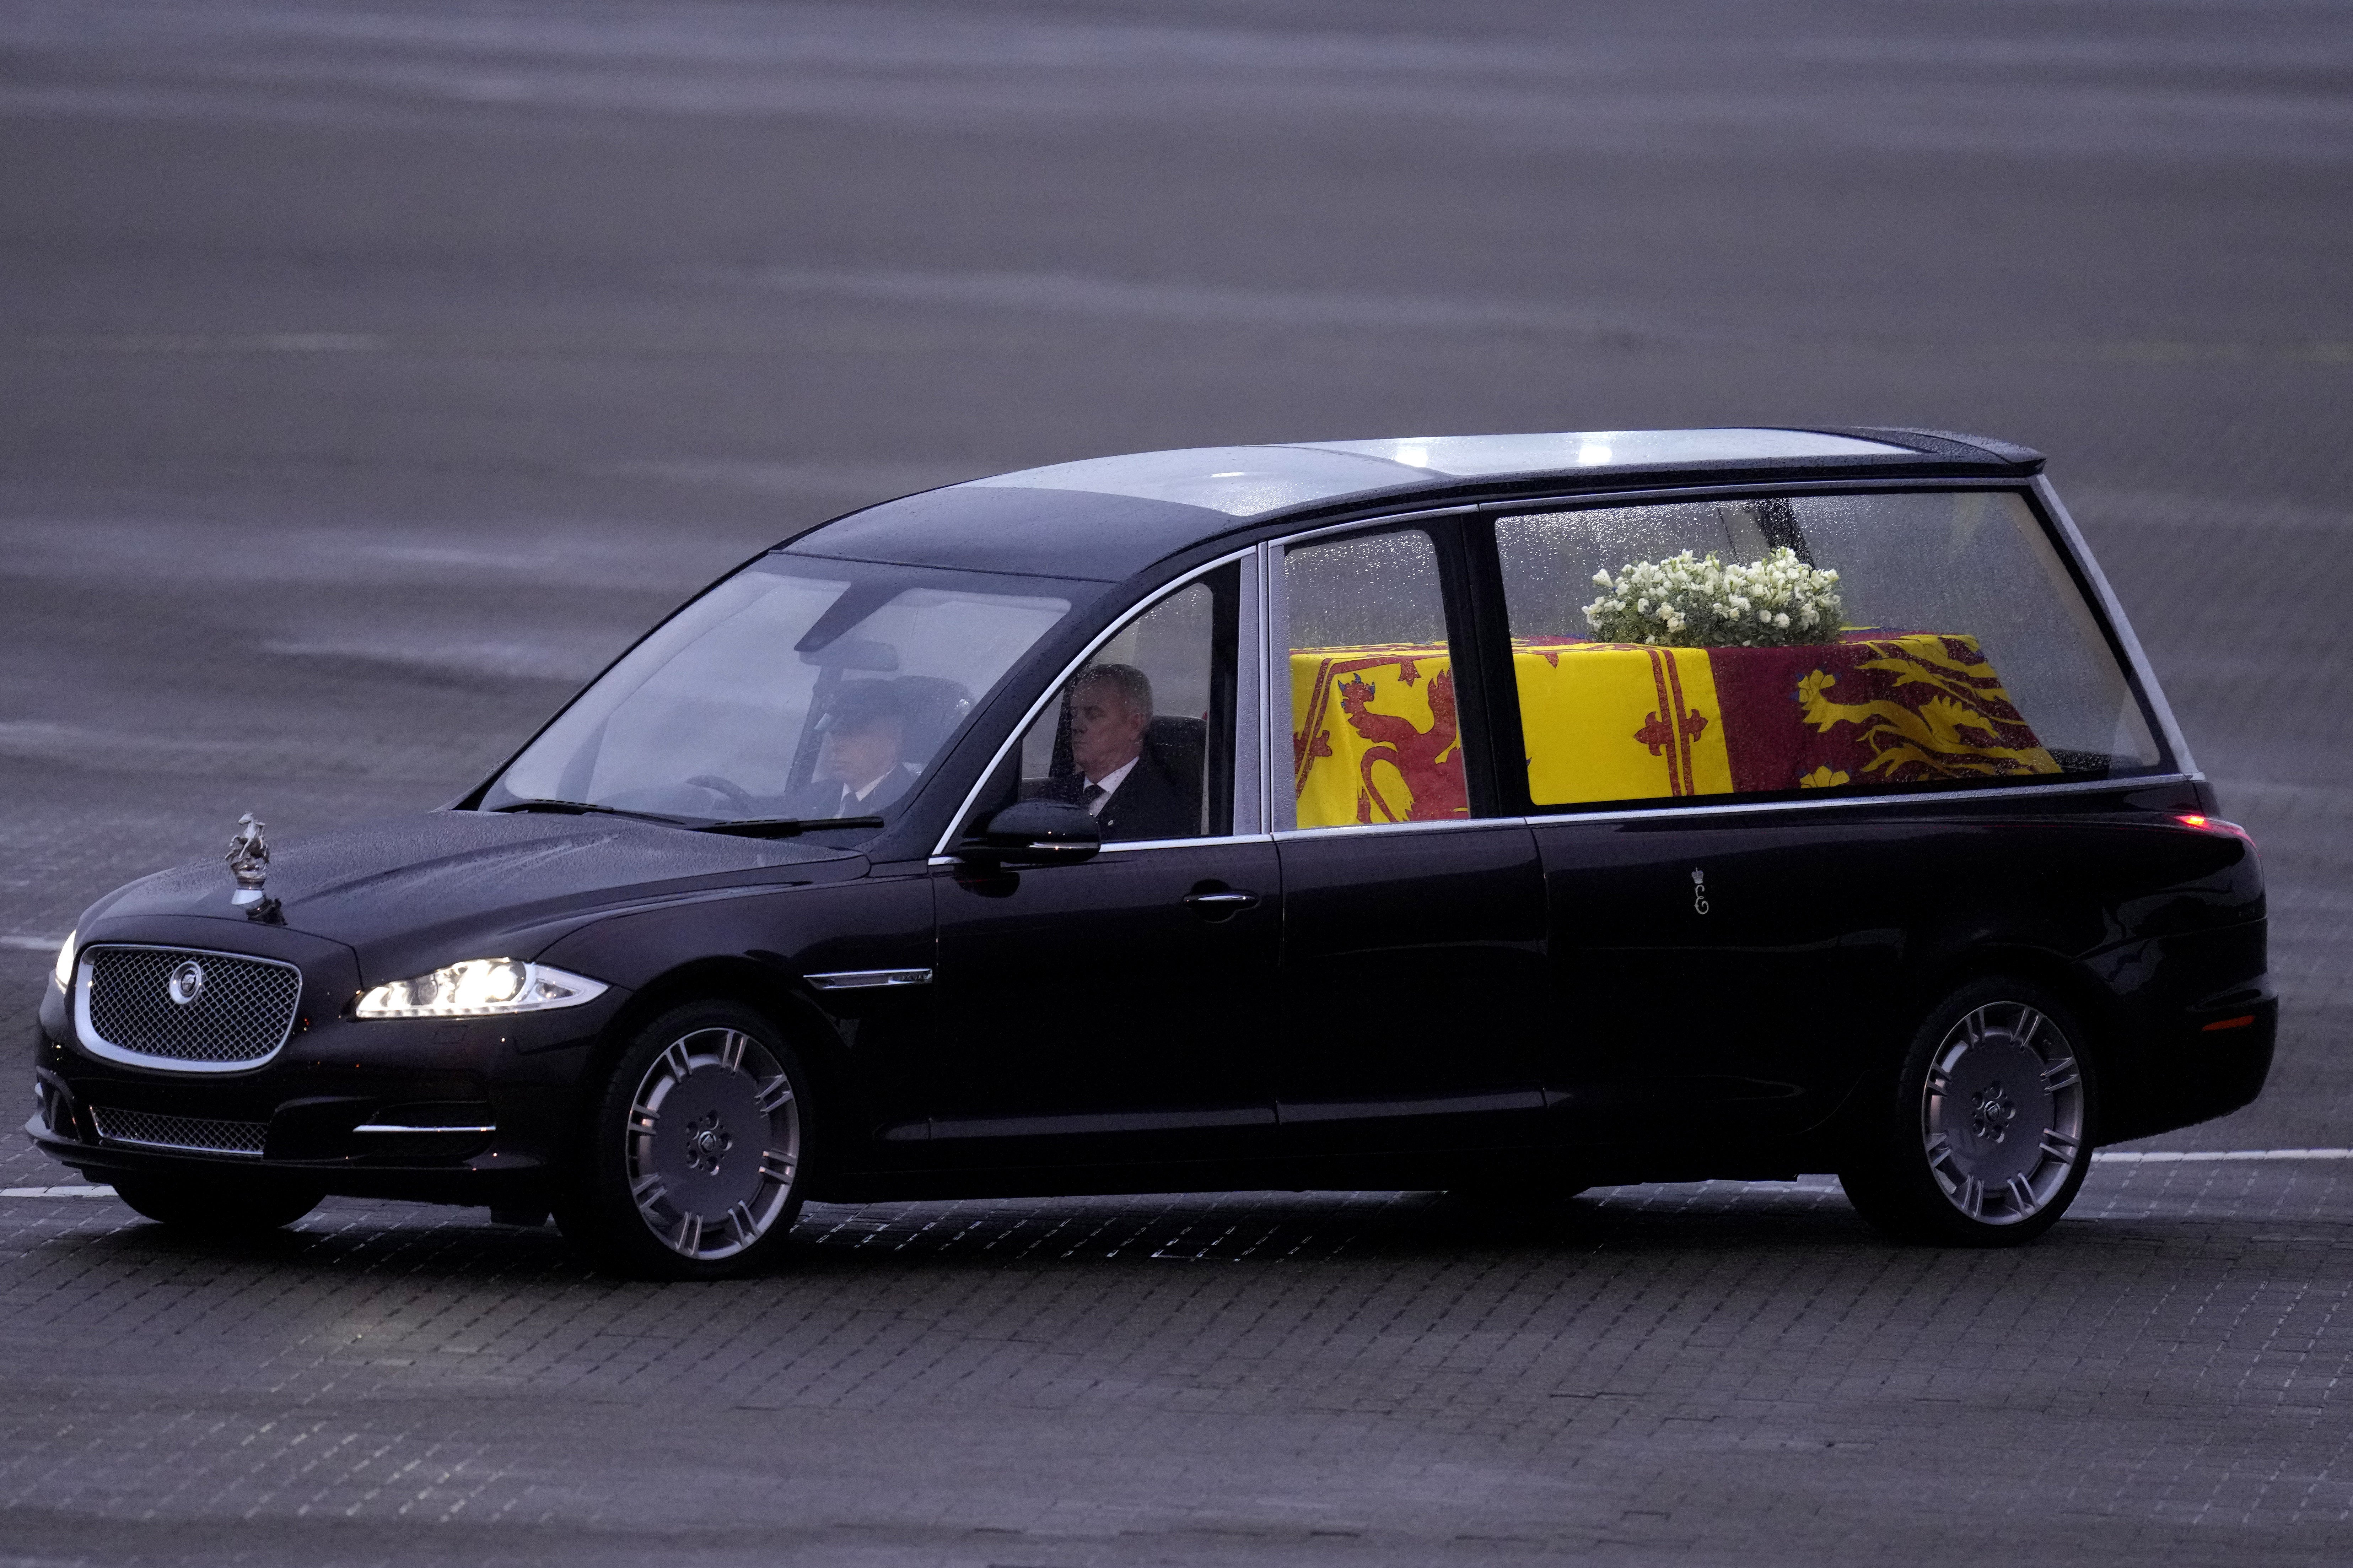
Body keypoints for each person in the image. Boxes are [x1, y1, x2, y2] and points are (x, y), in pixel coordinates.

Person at [1053, 663, 1197, 841]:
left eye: (1094, 714)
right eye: (1074, 714)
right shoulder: (1053, 796)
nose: (1076, 726)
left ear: (1135, 725)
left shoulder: (1165, 808)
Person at [791, 682, 920, 818]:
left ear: (892, 742)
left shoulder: (916, 803)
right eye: (835, 735)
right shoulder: (810, 799)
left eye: (853, 735)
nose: (837, 746)